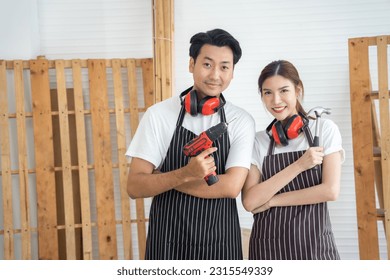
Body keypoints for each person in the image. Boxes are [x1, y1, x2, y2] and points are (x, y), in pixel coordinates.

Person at [126, 28, 255, 260]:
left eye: (224, 67)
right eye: (207, 64)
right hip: (166, 243)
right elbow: (135, 186)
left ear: (232, 73)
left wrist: (164, 178)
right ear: (191, 64)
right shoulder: (158, 115)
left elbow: (231, 187)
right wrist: (186, 173)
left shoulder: (241, 121)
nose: (215, 74)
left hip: (220, 244)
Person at [242, 60, 344, 260]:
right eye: (267, 93)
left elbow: (330, 191)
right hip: (267, 250)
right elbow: (250, 201)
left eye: (284, 90)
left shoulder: (323, 129)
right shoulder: (258, 141)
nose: (276, 100)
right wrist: (299, 165)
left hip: (315, 248)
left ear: (298, 90)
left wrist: (271, 202)